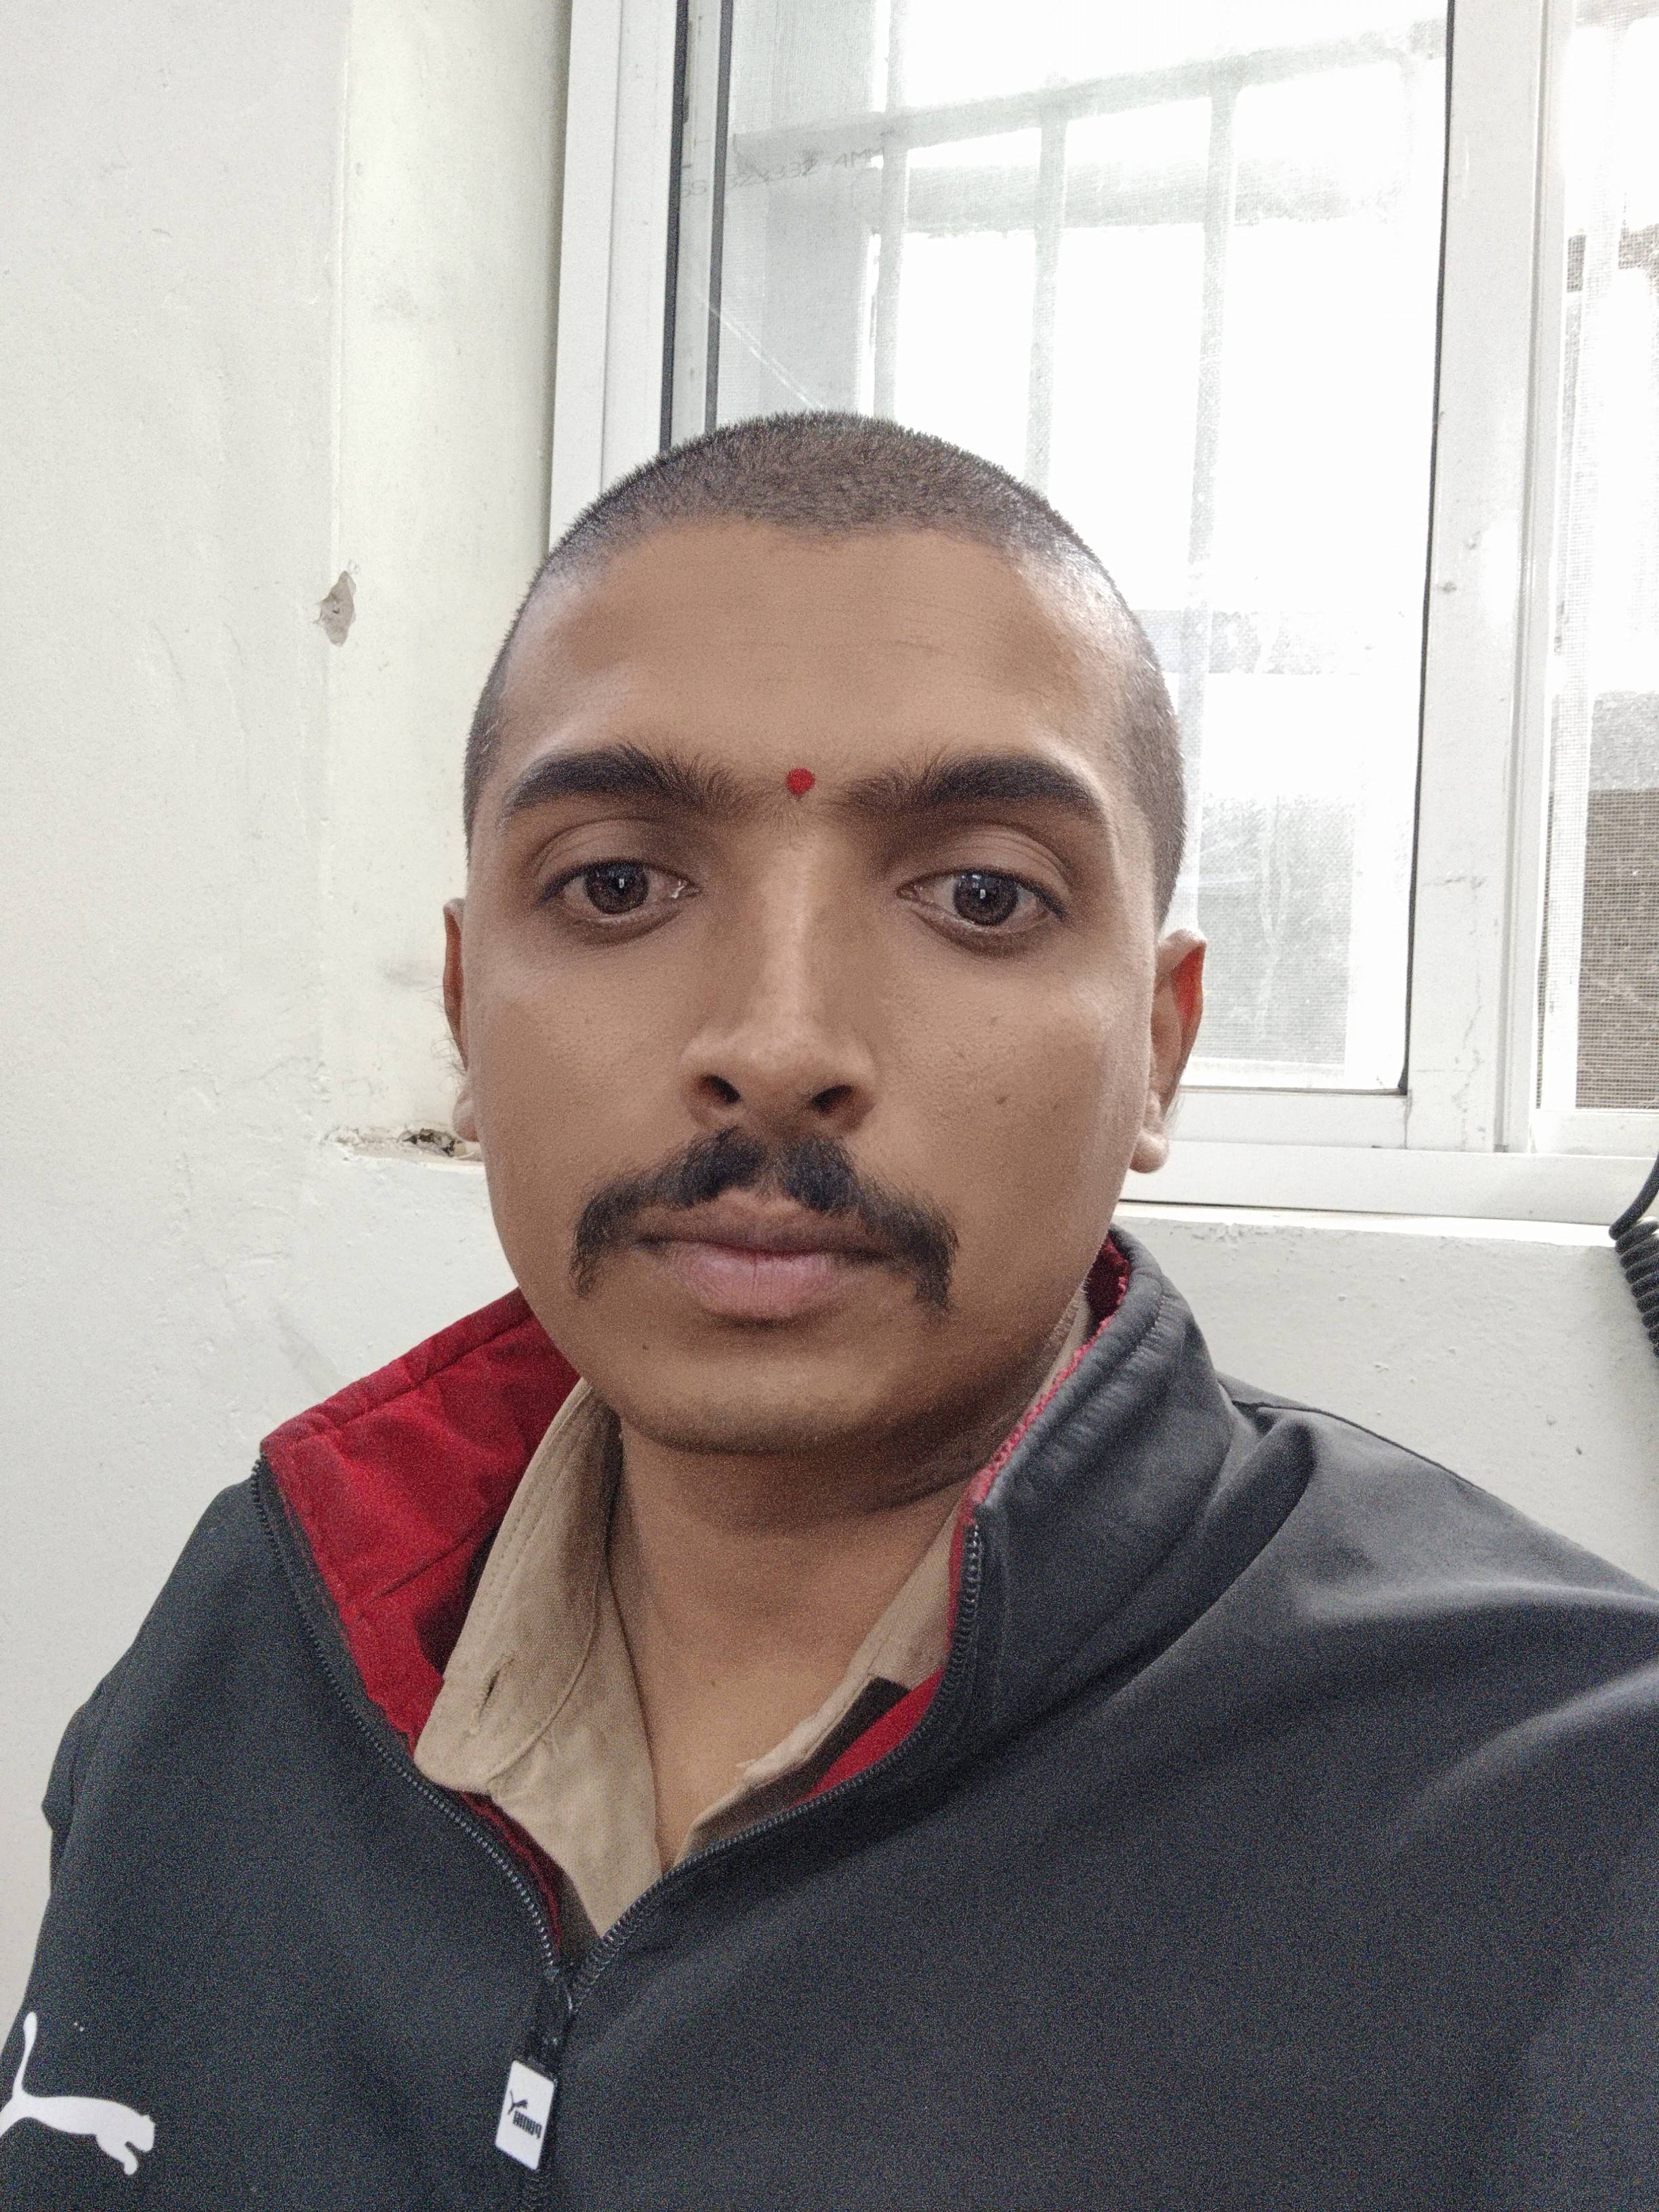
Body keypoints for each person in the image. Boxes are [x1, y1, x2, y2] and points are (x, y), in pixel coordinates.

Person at [6, 413, 1659, 2212]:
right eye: (617, 885)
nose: (778, 1044)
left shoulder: (1571, 1811)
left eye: (981, 896)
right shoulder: (266, 1627)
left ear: (1159, 1048)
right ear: (467, 1010)